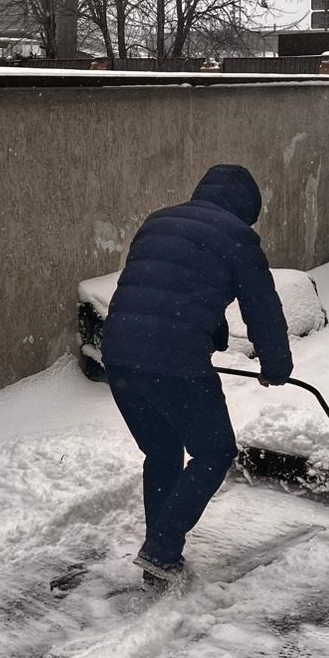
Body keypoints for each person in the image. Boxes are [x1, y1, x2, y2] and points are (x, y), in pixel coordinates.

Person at [100, 164, 293, 585]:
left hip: (118, 354)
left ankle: (159, 565)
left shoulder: (159, 221)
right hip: (175, 362)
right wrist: (276, 366)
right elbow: (261, 306)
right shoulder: (238, 237)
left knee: (163, 452)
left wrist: (213, 333)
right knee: (214, 451)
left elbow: (173, 284)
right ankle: (162, 548)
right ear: (246, 208)